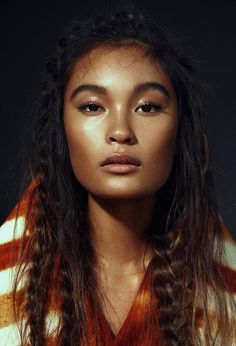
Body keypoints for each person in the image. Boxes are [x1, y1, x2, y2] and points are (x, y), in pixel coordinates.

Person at [0, 5, 235, 346]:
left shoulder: (225, 288)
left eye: (148, 106)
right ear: (62, 128)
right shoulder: (7, 278)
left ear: (178, 131)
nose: (121, 131)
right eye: (93, 106)